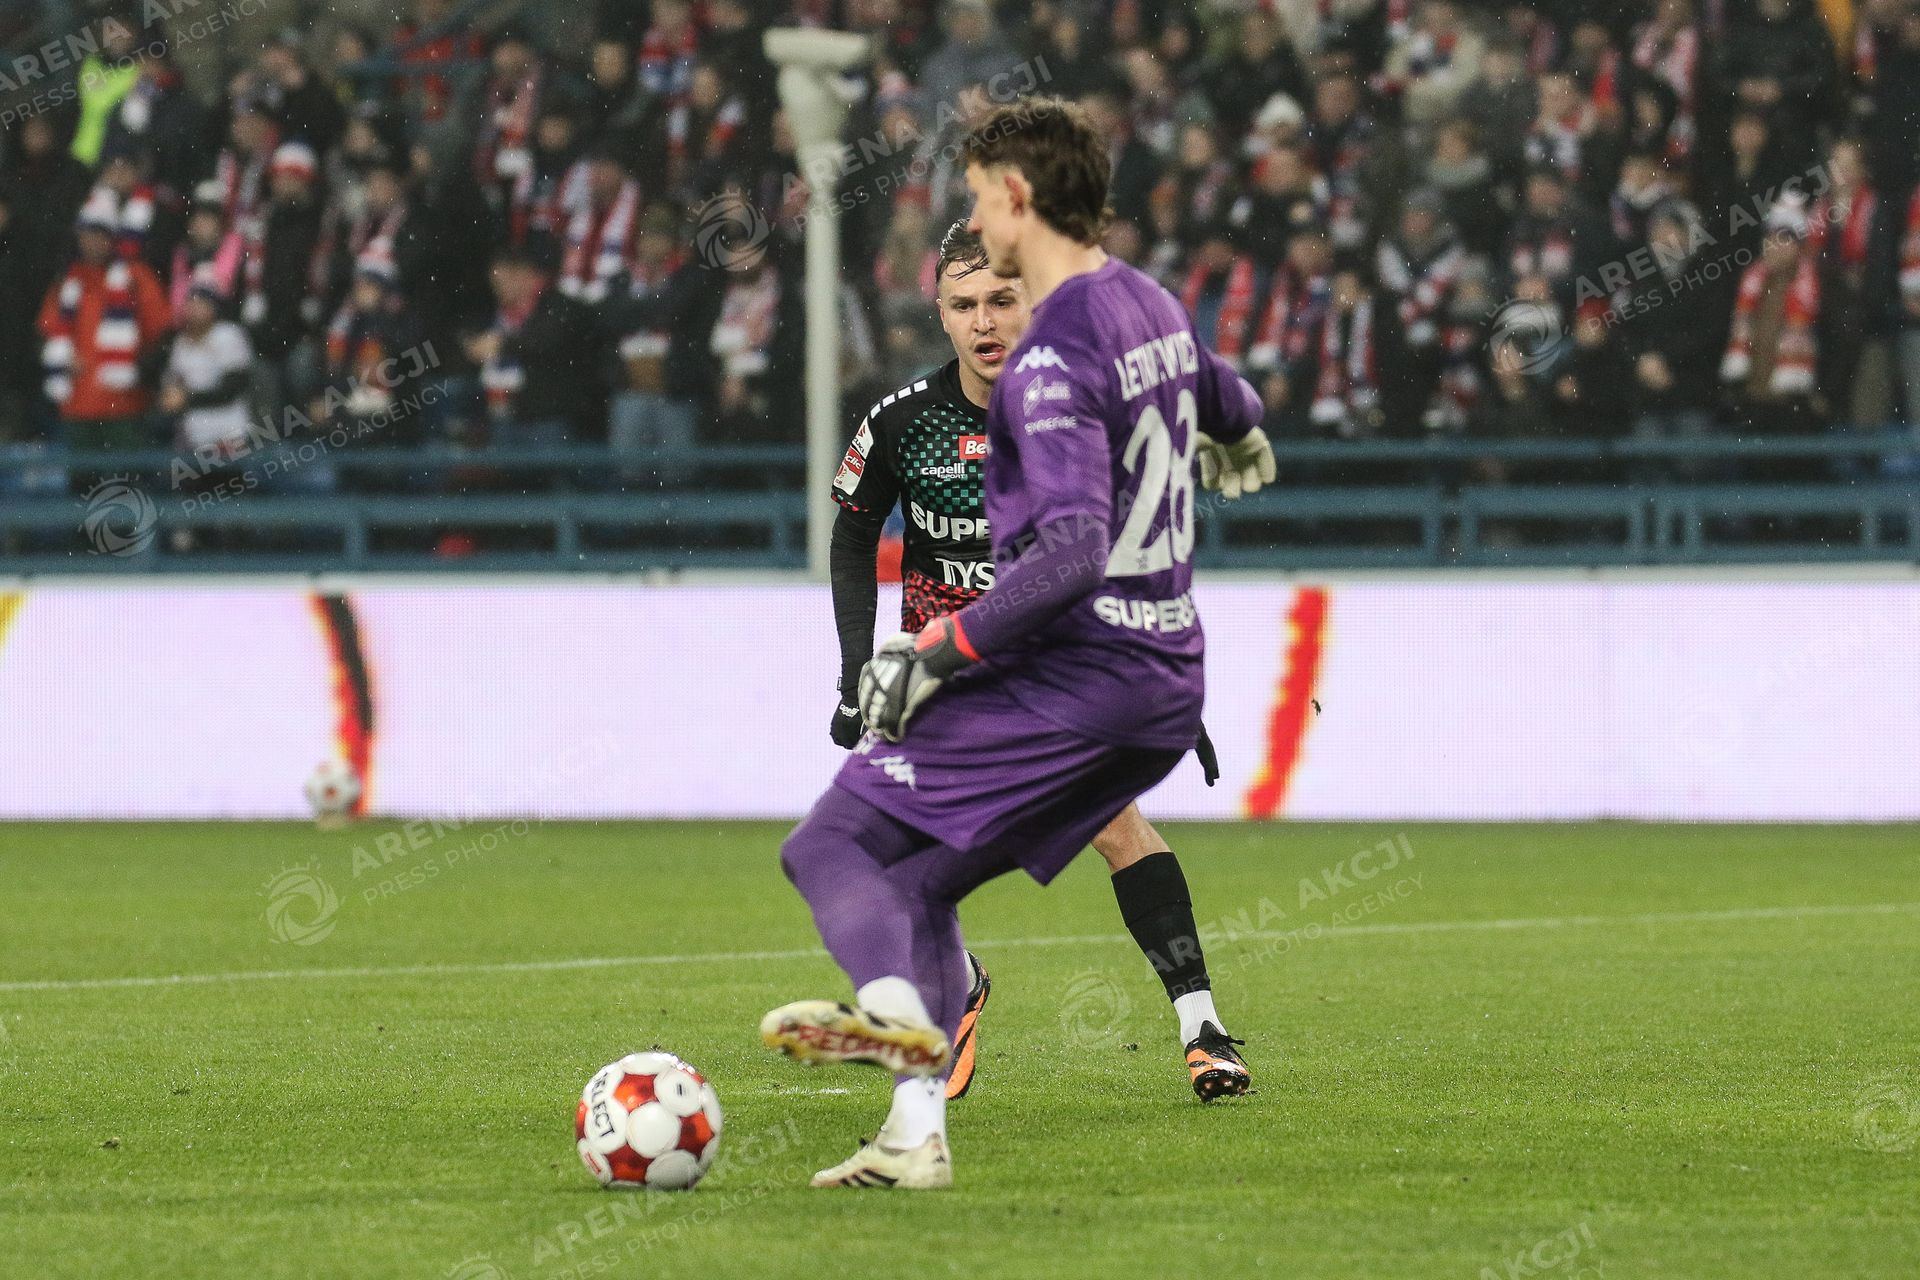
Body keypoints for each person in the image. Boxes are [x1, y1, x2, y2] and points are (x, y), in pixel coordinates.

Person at [763, 98, 1275, 1190]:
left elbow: (1076, 551)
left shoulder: (1046, 372)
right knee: (917, 879)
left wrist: (936, 652)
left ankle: (907, 1030)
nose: (985, 303)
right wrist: (1238, 434)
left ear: (1017, 202)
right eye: (965, 301)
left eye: (981, 197)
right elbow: (1226, 392)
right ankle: (918, 1112)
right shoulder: (1142, 304)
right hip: (1127, 674)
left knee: (835, 848)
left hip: (1056, 673)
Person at [826, 217, 1243, 1107]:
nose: (984, 321)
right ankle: (962, 986)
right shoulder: (900, 421)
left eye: (1001, 300)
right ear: (940, 313)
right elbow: (853, 534)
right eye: (963, 304)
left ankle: (1202, 1030)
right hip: (945, 673)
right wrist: (854, 669)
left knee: (1118, 829)